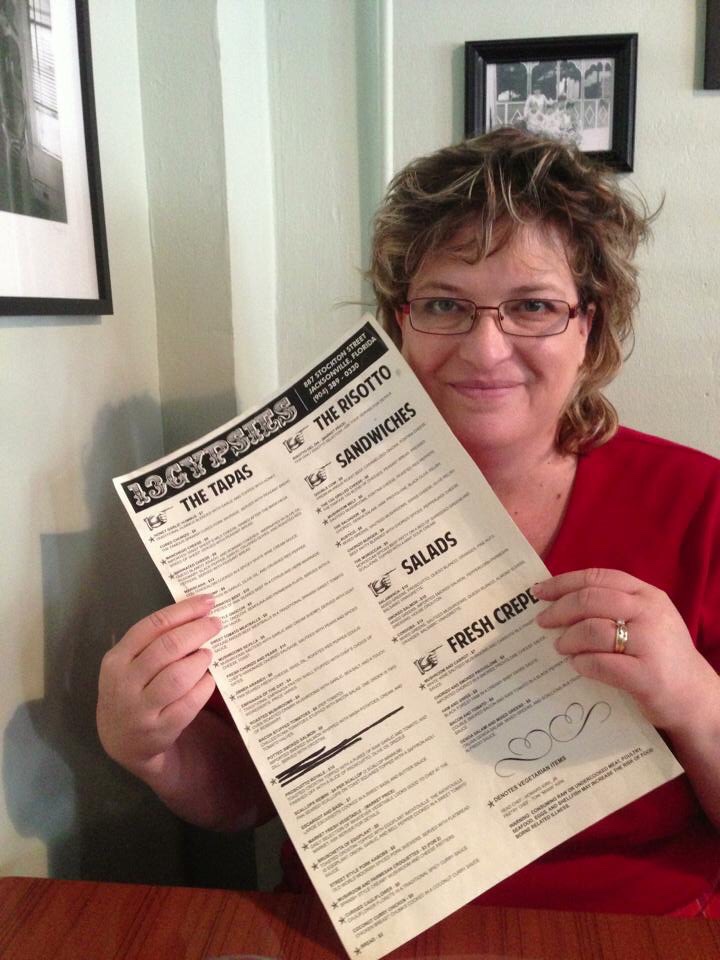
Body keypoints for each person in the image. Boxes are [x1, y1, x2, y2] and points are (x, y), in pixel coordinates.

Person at [97, 127, 720, 916]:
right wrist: (150, 749)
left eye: (532, 306)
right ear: (402, 320)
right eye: (445, 305)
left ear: (588, 324)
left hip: (628, 929)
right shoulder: (285, 506)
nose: (485, 349)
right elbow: (248, 800)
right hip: (362, 928)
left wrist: (696, 698)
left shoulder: (700, 501)